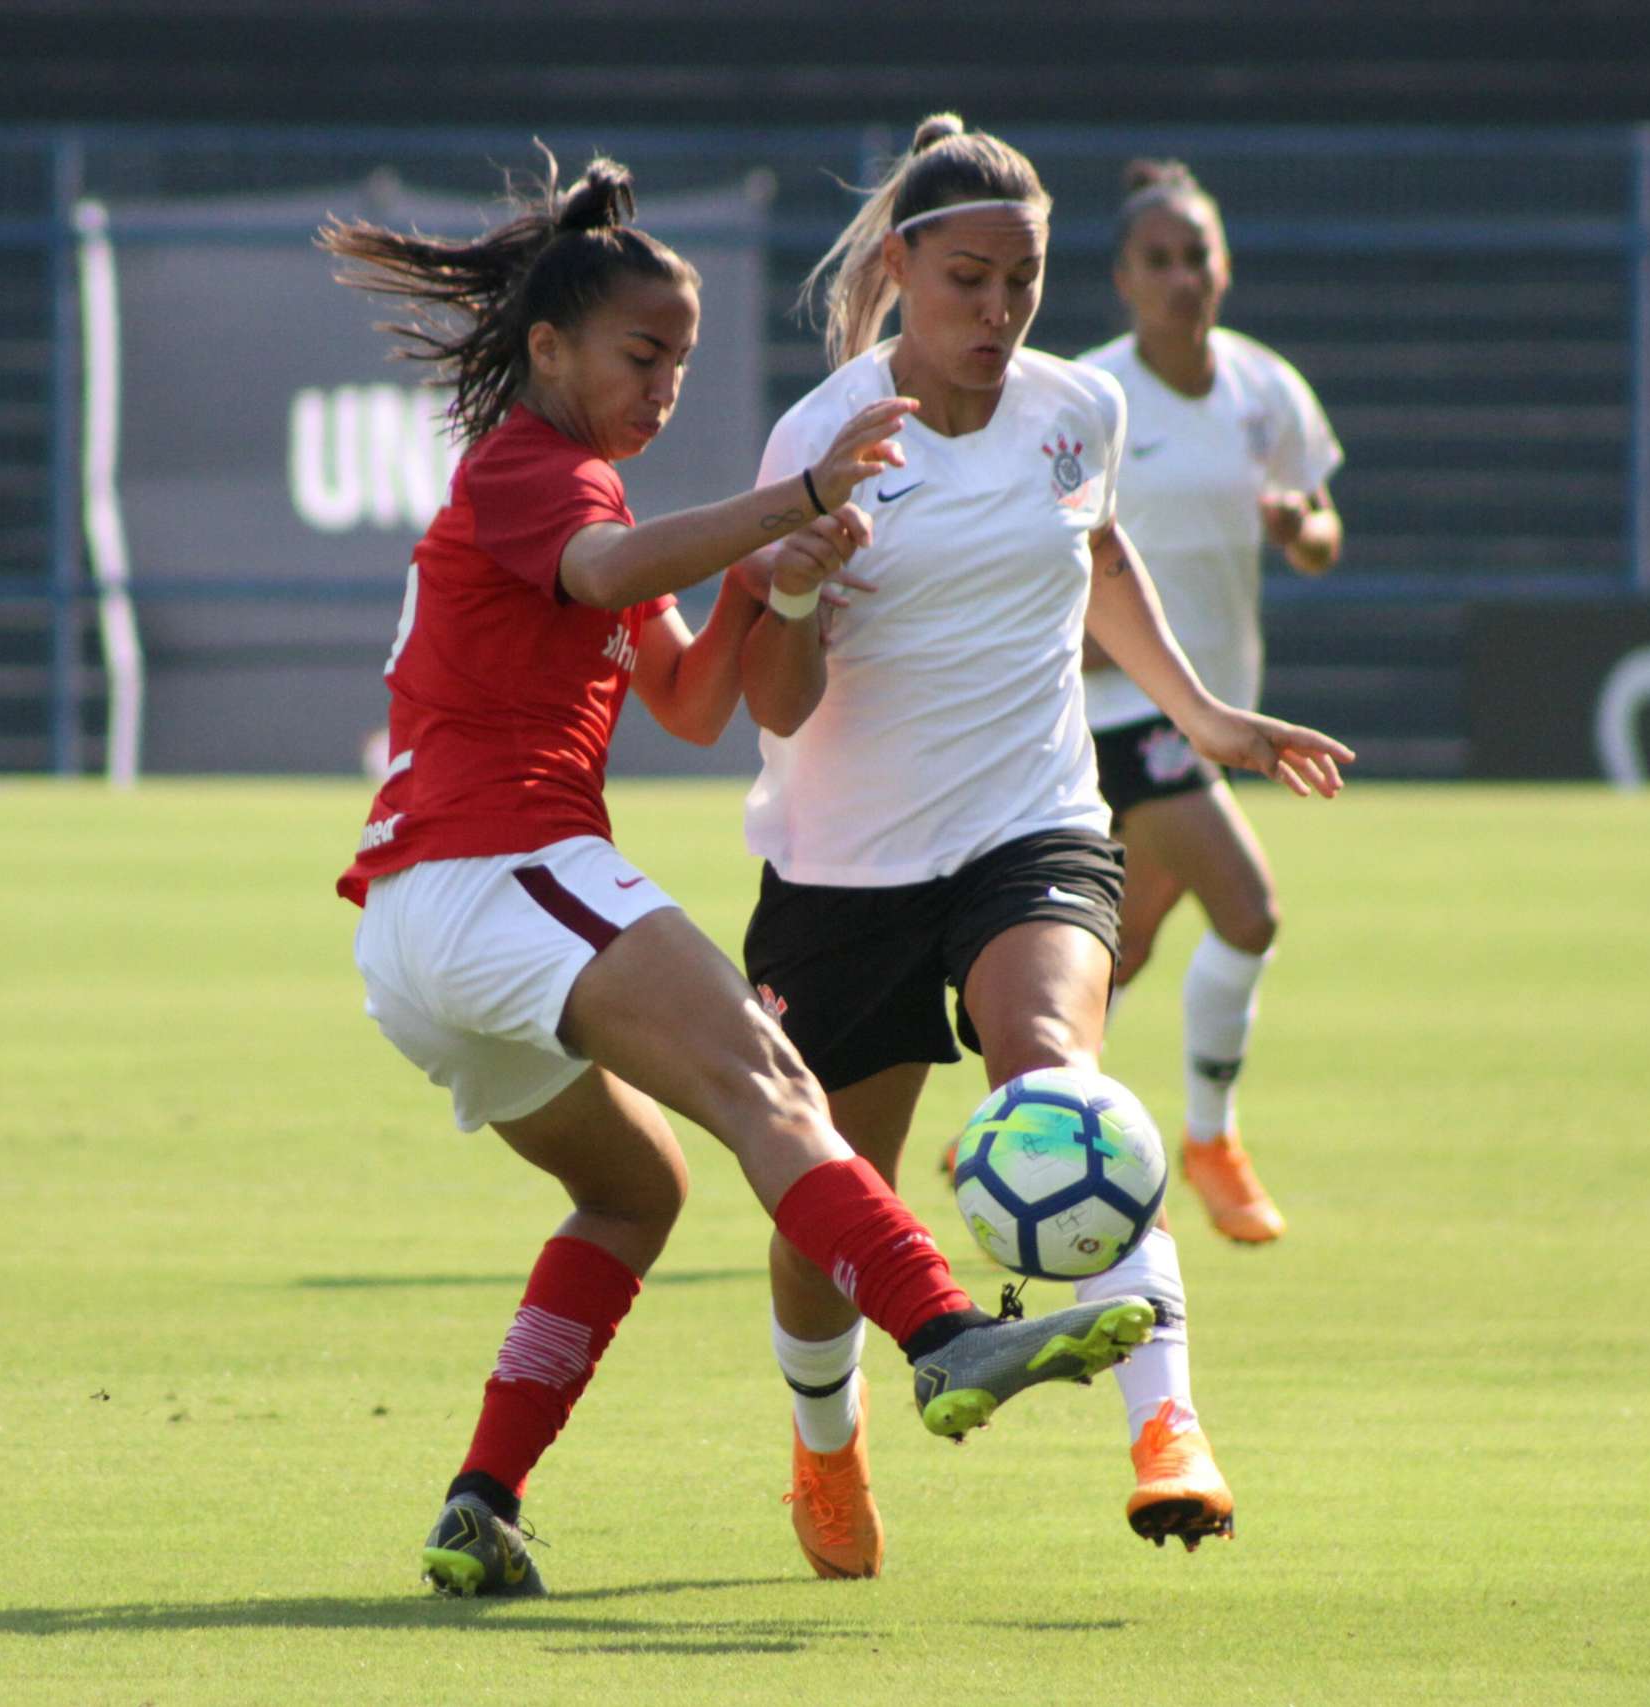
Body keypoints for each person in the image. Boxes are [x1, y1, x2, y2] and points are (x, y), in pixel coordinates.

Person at [320, 151, 1164, 1600]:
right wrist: (792, 502)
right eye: (641, 356)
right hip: (495, 866)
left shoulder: (593, 497)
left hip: (429, 936)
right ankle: (946, 1333)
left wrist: (783, 579)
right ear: (548, 349)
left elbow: (700, 704)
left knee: (634, 1192)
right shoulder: (537, 469)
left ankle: (481, 1493)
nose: (662, 389)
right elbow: (596, 574)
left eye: (682, 362)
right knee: (767, 1081)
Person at [732, 115, 1354, 1575]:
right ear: (901, 268)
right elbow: (766, 696)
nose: (1000, 313)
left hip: (1035, 821)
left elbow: (1096, 544)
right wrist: (806, 589)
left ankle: (1169, 1427)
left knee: (1065, 1092)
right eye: (967, 280)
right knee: (839, 1192)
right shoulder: (824, 439)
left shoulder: (1080, 407)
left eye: (1022, 280)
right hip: (846, 864)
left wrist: (1200, 713)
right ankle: (827, 1446)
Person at [1078, 159, 1346, 1245]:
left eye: (1199, 256)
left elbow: (1326, 534)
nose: (1183, 276)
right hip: (1119, 713)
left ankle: (1026, 1127)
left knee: (1123, 944)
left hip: (1216, 707)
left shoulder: (1260, 389)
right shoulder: (1092, 396)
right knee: (1249, 907)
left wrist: (1299, 531)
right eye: (1160, 259)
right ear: (1122, 278)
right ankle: (1209, 1142)